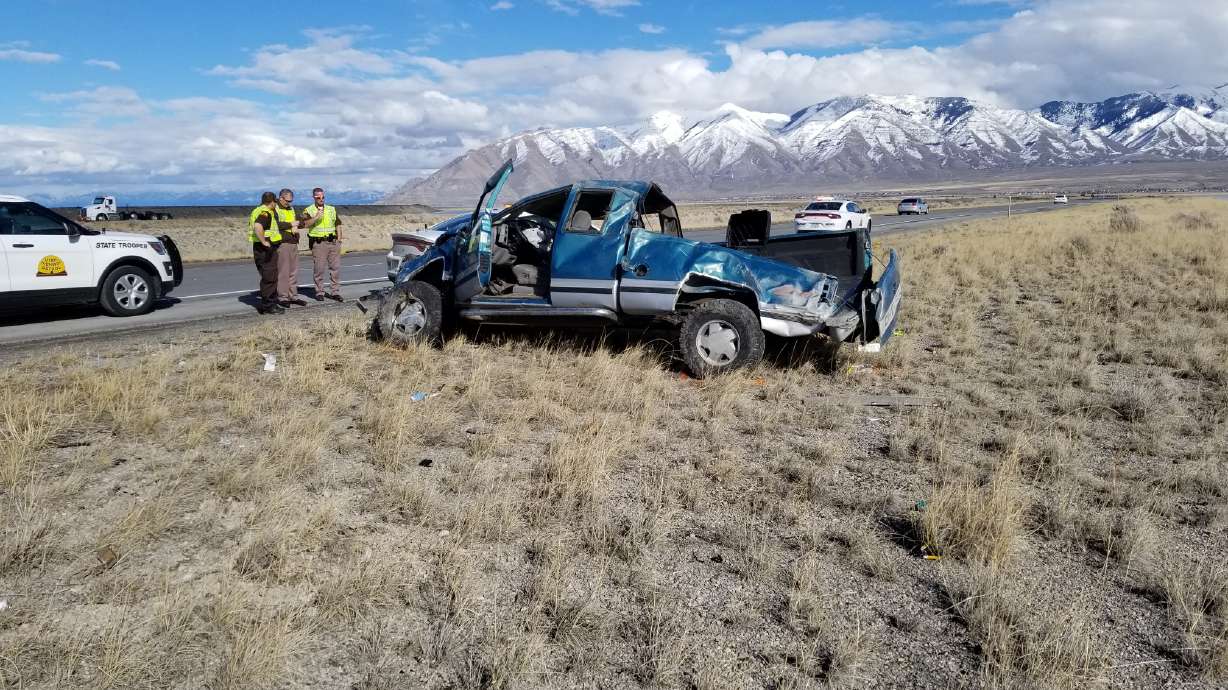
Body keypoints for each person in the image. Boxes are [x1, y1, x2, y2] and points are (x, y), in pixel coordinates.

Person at [301, 187, 344, 301]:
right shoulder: (308, 210)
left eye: (323, 197)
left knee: (335, 269)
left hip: (333, 242)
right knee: (319, 269)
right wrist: (316, 217)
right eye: (318, 197)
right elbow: (304, 224)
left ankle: (335, 292)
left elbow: (338, 224)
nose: (321, 199)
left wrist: (339, 239)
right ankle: (319, 292)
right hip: (319, 244)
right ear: (314, 197)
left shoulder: (331, 209)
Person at [248, 192, 284, 314]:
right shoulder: (265, 212)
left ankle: (270, 303)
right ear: (273, 202)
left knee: (269, 275)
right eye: (276, 202)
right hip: (265, 249)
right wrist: (264, 242)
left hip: (261, 248)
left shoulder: (258, 210)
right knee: (270, 277)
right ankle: (268, 305)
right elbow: (258, 226)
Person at [275, 188, 308, 306]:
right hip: (283, 243)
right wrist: (291, 224)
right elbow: (274, 224)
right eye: (287, 201)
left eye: (291, 201)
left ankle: (293, 296)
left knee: (293, 271)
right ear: (281, 198)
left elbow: (296, 221)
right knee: (283, 271)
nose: (289, 203)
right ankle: (283, 297)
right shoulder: (275, 208)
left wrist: (300, 221)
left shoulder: (291, 208)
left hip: (293, 242)